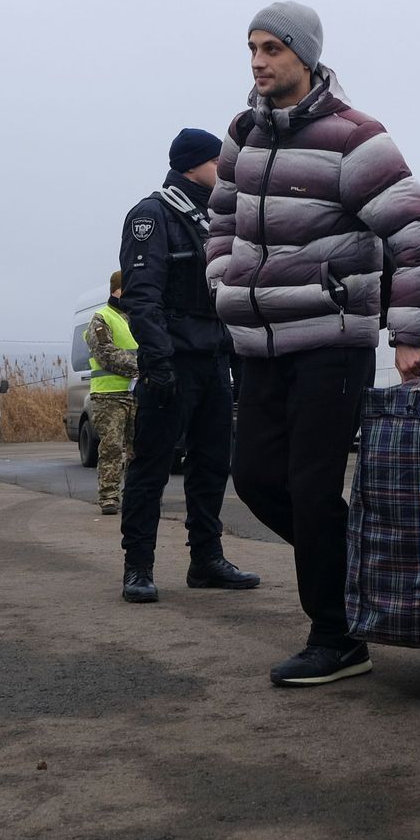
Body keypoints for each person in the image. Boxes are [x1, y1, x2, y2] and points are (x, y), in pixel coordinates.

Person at [207, 3, 420, 686]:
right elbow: (220, 218)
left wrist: (406, 334)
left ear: (305, 55)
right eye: (252, 47)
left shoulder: (353, 137)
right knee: (253, 478)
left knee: (313, 491)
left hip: (330, 342)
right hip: (257, 344)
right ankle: (356, 579)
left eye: (273, 48)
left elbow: (418, 236)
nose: (258, 61)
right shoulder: (242, 134)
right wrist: (220, 278)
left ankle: (335, 633)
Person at [115, 130, 260, 602]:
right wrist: (158, 364)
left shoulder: (219, 216)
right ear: (193, 164)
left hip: (215, 359)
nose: (225, 167)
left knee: (213, 465)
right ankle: (138, 567)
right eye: (218, 160)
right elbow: (142, 297)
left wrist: (239, 364)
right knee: (152, 468)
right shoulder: (153, 215)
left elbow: (232, 293)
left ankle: (206, 559)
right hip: (171, 363)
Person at [84, 270, 139, 516]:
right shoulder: (101, 319)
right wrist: (145, 365)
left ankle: (137, 496)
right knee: (112, 447)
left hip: (137, 394)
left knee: (139, 448)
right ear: (117, 290)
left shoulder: (136, 318)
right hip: (109, 397)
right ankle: (109, 498)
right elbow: (106, 355)